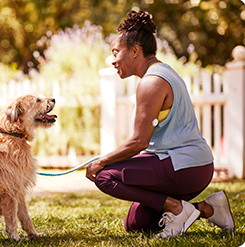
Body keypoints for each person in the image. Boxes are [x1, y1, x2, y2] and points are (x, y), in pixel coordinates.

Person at [86, 10, 235, 238]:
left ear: (135, 51)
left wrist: (100, 161)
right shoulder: (164, 72)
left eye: (116, 52)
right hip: (193, 167)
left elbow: (138, 142)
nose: (113, 60)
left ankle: (176, 208)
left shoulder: (152, 82)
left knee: (105, 175)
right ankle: (208, 208)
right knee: (136, 223)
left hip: (184, 166)